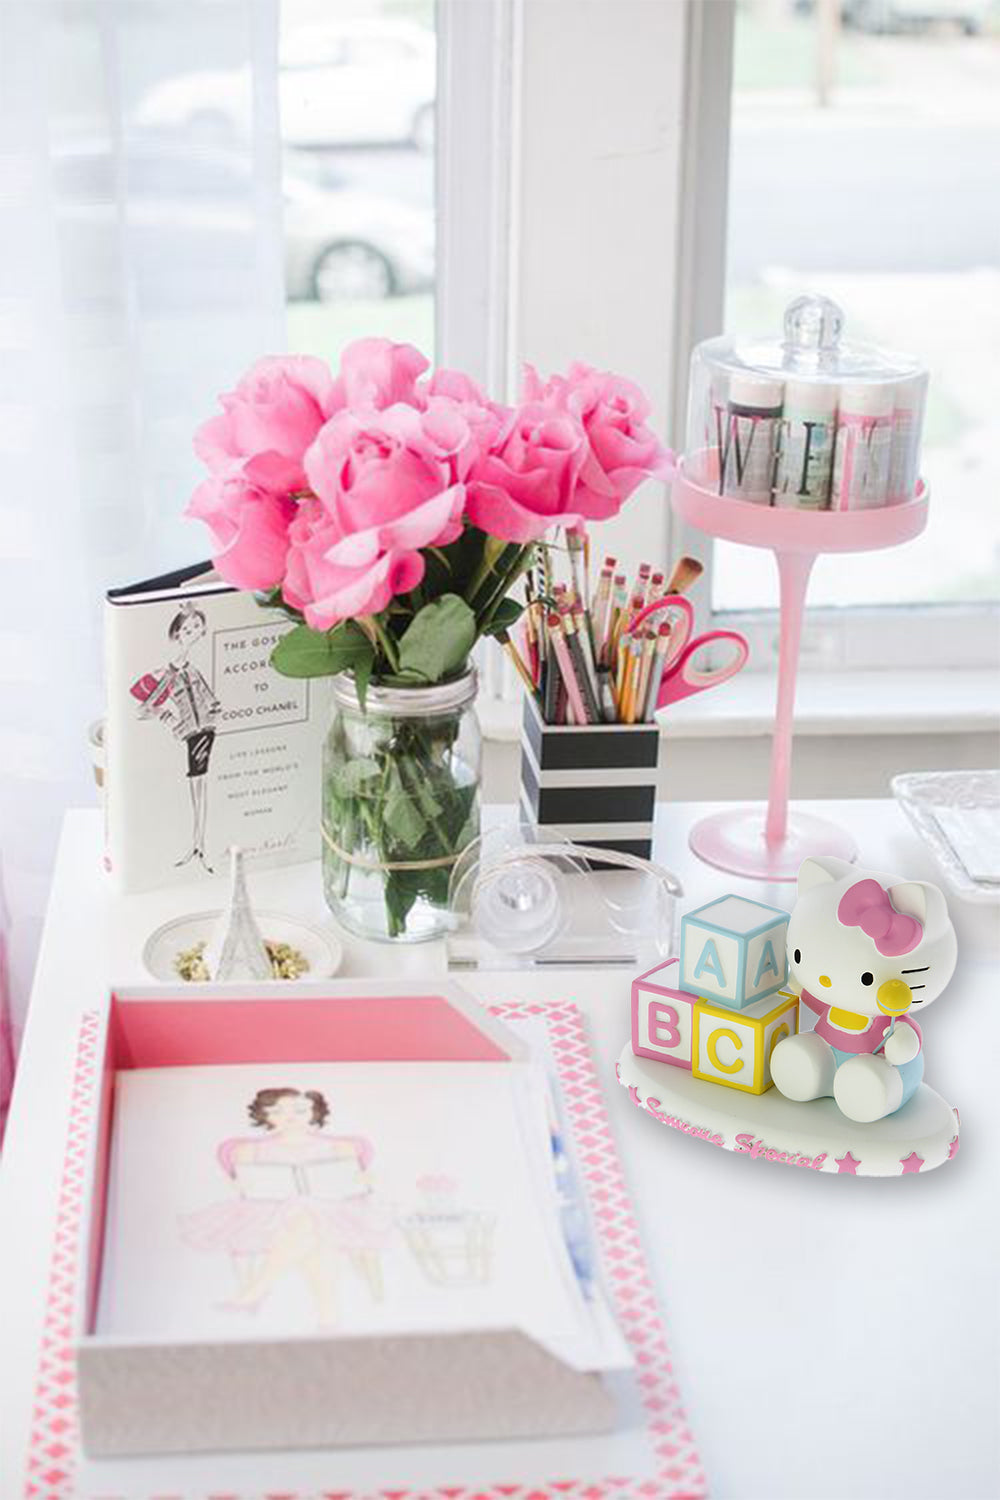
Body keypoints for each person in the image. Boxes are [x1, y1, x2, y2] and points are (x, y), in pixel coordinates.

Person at [179, 1087, 394, 1328]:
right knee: (310, 1230)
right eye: (277, 1111)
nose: (289, 1117)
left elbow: (357, 1181)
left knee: (309, 1222)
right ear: (264, 1115)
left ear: (314, 1112)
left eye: (299, 1110)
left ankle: (254, 1293)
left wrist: (363, 1180)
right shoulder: (249, 1149)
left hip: (332, 1209)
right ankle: (328, 1318)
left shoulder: (340, 1146)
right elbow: (243, 1186)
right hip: (272, 1214)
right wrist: (240, 1183)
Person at [131, 603, 220, 871]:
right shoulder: (166, 675)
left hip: (206, 732)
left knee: (200, 784)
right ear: (177, 634)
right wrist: (172, 721)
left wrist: (214, 713)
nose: (193, 631)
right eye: (187, 628)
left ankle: (199, 846)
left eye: (197, 627)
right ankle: (198, 846)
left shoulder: (192, 670)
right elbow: (143, 709)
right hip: (192, 734)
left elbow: (211, 700)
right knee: (198, 785)